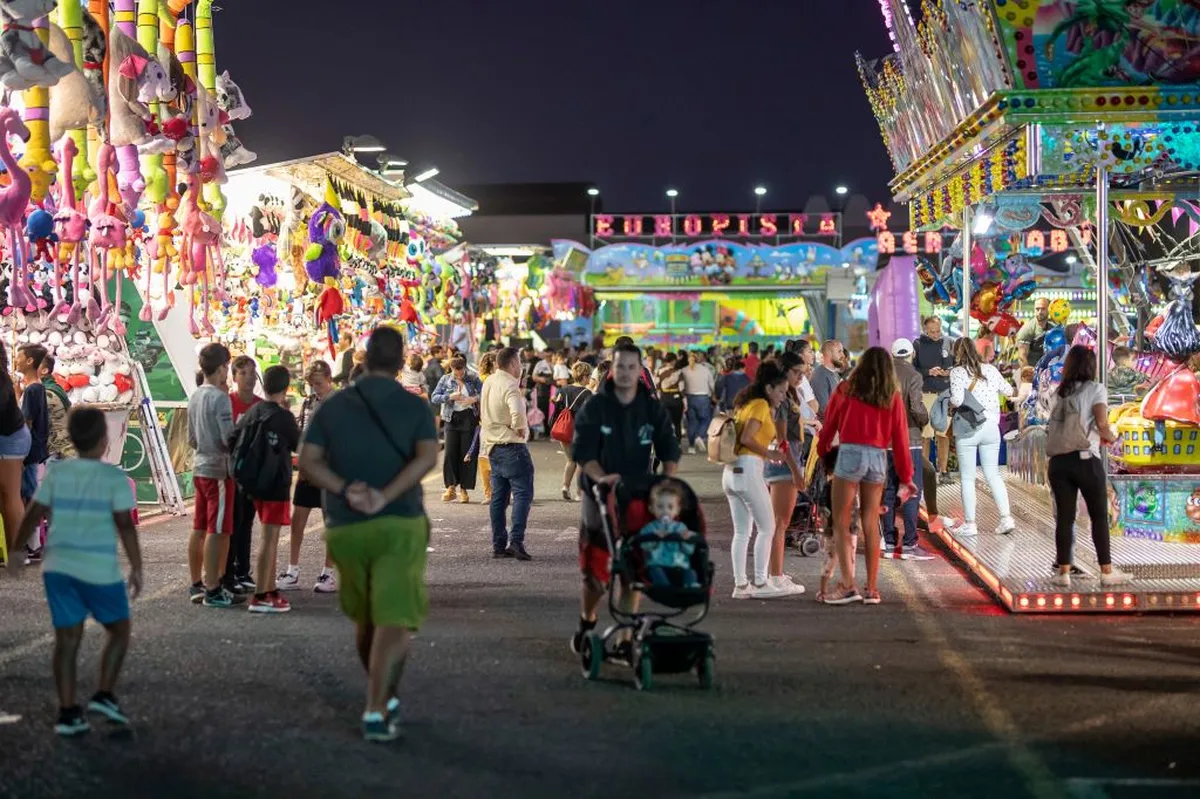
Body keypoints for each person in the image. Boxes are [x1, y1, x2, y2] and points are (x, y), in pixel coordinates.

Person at [297, 326, 438, 742]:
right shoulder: (414, 407)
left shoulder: (334, 406)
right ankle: (378, 703)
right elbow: (427, 457)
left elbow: (308, 460)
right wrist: (386, 494)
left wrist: (344, 489)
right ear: (400, 362)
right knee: (392, 618)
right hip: (400, 522)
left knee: (366, 619)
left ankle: (379, 697)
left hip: (344, 527)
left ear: (363, 358)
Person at [14, 406, 142, 735]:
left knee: (67, 640)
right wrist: (137, 567)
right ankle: (104, 693)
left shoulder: (57, 474)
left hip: (59, 569)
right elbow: (125, 526)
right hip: (99, 570)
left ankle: (68, 711)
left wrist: (16, 550)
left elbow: (33, 513)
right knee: (119, 630)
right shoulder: (113, 478)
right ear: (104, 441)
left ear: (72, 439)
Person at [570, 342, 680, 653]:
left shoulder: (651, 408)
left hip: (638, 493)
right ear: (610, 369)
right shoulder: (595, 406)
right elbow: (583, 453)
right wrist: (602, 477)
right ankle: (587, 618)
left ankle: (625, 637)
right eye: (620, 367)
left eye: (633, 367)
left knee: (633, 569)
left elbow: (669, 448)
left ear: (641, 370)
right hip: (597, 493)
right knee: (596, 576)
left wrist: (666, 480)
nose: (626, 373)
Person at [817, 347, 915, 606]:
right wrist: (906, 475)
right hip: (878, 457)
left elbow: (830, 424)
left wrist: (822, 449)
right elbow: (901, 439)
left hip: (850, 453)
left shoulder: (845, 389)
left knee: (840, 520)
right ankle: (872, 589)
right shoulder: (891, 396)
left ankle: (848, 585)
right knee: (871, 522)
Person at [1047, 346, 1132, 588]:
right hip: (1085, 460)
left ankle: (1063, 572)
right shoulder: (1095, 389)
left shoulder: (1059, 392)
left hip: (1058, 462)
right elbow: (1102, 422)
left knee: (1065, 518)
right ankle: (1106, 571)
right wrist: (1111, 436)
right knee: (1098, 517)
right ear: (1091, 366)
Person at [231, 365, 301, 613]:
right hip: (275, 483)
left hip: (251, 481)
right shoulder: (283, 417)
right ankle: (261, 595)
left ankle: (269, 589)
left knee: (266, 538)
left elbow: (233, 439)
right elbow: (299, 445)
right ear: (286, 387)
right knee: (269, 540)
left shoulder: (254, 411)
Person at [721, 361, 792, 599]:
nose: (783, 396)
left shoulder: (746, 403)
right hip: (749, 469)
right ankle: (762, 583)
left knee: (742, 532)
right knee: (767, 527)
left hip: (731, 471)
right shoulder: (761, 404)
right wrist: (769, 453)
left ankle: (741, 585)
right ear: (769, 388)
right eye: (781, 391)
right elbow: (748, 436)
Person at [187, 343, 242, 608]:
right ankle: (213, 587)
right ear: (221, 367)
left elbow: (192, 439)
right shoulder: (220, 398)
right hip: (219, 471)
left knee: (199, 528)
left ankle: (196, 583)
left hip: (199, 467)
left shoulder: (196, 395)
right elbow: (227, 438)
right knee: (217, 530)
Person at [280, 361, 339, 593]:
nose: (315, 389)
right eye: (312, 385)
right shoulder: (307, 402)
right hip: (308, 470)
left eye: (319, 384)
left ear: (329, 379)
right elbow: (301, 432)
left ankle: (328, 573)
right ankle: (292, 569)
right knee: (298, 522)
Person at [949, 338, 1016, 536]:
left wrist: (951, 401)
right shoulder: (990, 370)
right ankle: (1006, 518)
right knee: (993, 474)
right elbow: (1009, 390)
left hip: (969, 429)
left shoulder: (957, 372)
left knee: (968, 478)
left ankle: (970, 524)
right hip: (991, 428)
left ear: (957, 353)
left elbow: (958, 399)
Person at [480, 347, 534, 561]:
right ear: (512, 364)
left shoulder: (489, 381)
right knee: (522, 494)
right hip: (512, 446)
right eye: (519, 363)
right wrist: (520, 427)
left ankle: (498, 545)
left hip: (492, 446)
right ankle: (517, 541)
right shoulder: (511, 384)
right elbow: (518, 415)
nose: (521, 367)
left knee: (498, 498)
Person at [764, 352, 810, 595]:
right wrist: (796, 472)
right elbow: (781, 440)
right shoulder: (782, 399)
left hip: (784, 462)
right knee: (779, 524)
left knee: (779, 523)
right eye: (797, 372)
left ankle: (775, 572)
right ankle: (775, 576)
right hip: (784, 464)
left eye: (803, 372)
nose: (801, 377)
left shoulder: (788, 395)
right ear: (784, 371)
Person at [884, 339, 933, 560]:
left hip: (885, 442)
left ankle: (888, 541)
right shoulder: (913, 376)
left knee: (888, 491)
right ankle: (910, 544)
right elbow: (916, 406)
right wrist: (925, 419)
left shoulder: (882, 375)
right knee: (912, 491)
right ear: (911, 354)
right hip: (909, 439)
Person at [224, 355, 260, 594]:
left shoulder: (260, 405)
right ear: (234, 376)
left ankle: (244, 570)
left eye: (251, 373)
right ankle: (230, 570)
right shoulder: (228, 402)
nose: (248, 378)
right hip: (230, 473)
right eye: (243, 373)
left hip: (253, 473)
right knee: (232, 524)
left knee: (247, 522)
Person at [431, 356, 482, 503]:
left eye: (461, 371)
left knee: (466, 453)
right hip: (451, 419)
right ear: (451, 369)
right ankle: (451, 487)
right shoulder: (445, 379)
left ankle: (464, 490)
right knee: (450, 453)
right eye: (455, 371)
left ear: (465, 368)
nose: (458, 374)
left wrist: (474, 399)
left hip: (469, 418)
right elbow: (434, 397)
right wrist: (450, 396)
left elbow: (484, 392)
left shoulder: (473, 377)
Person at [17, 344, 50, 562]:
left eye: (20, 356)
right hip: (34, 448)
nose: (16, 359)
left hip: (28, 450)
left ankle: (32, 545)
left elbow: (27, 422)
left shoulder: (33, 389)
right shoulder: (33, 388)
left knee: (26, 496)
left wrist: (19, 453)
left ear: (30, 361)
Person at [913, 316, 955, 482]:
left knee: (943, 435)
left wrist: (949, 371)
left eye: (938, 331)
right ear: (925, 330)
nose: (936, 334)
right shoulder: (917, 344)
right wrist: (928, 372)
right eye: (932, 332)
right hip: (927, 395)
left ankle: (943, 471)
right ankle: (925, 473)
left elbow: (957, 364)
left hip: (944, 394)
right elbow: (912, 369)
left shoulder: (948, 342)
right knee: (926, 436)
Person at [639, 478, 700, 589]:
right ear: (651, 508)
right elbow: (643, 545)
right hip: (657, 564)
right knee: (655, 572)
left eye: (670, 507)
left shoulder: (681, 528)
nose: (665, 511)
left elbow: (689, 551)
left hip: (679, 565)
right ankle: (664, 587)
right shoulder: (650, 528)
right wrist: (655, 539)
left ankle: (690, 585)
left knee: (691, 572)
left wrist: (686, 540)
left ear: (677, 510)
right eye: (660, 507)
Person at [0, 342, 30, 560]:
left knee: (10, 496)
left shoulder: (1, 380)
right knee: (6, 499)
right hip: (10, 437)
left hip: (10, 439)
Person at [553, 361, 593, 501]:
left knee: (570, 460)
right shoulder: (587, 393)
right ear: (584, 376)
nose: (589, 379)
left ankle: (565, 486)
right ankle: (579, 493)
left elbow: (556, 405)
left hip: (564, 430)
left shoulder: (564, 389)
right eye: (589, 376)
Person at [38, 356, 74, 462]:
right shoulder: (55, 387)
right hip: (64, 448)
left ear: (44, 370)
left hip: (58, 451)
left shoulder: (47, 393)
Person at [680, 351, 716, 454]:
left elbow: (681, 385)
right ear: (698, 359)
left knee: (692, 422)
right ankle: (700, 436)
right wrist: (713, 394)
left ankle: (691, 447)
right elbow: (712, 384)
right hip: (703, 397)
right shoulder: (705, 370)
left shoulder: (684, 370)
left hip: (689, 397)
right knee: (705, 419)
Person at [809, 340, 846, 418]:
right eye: (839, 351)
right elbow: (824, 410)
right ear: (829, 354)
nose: (843, 355)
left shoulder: (834, 374)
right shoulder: (820, 376)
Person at [1017, 296, 1053, 367]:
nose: (1040, 312)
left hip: (1049, 371)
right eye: (1037, 309)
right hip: (1033, 370)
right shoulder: (1027, 329)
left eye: (1043, 309)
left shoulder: (1053, 327)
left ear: (1049, 310)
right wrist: (1029, 374)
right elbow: (1022, 357)